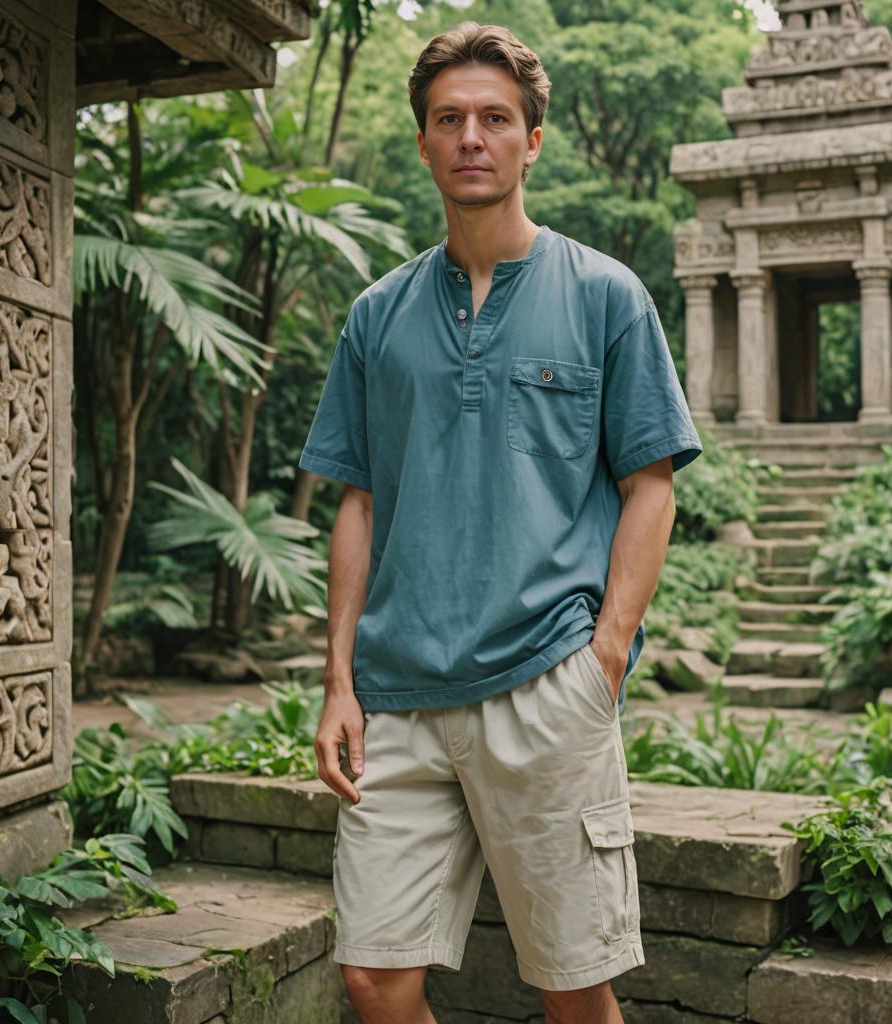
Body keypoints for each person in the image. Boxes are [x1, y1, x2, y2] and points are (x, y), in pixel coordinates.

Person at [299, 21, 702, 1024]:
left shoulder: (606, 295)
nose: (471, 135)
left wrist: (602, 659)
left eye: (494, 117)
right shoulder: (375, 317)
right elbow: (356, 499)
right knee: (375, 978)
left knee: (573, 985)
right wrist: (337, 683)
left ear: (530, 139)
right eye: (450, 119)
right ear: (425, 141)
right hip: (395, 699)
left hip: (545, 685)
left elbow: (650, 485)